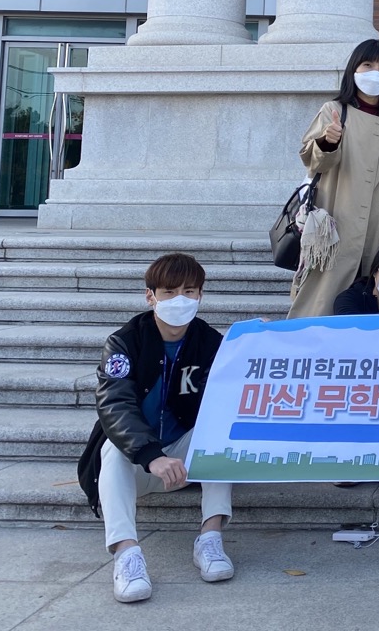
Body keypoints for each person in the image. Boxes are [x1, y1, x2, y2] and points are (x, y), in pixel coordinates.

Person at [76, 253, 233, 604]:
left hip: (184, 461)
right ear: (151, 296)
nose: (180, 300)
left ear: (200, 295)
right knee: (112, 446)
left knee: (218, 433)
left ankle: (210, 539)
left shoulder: (210, 342)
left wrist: (259, 340)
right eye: (169, 292)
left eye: (189, 291)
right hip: (138, 466)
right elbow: (114, 405)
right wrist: (150, 455)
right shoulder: (124, 343)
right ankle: (127, 555)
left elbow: (237, 387)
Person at [287, 39, 379, 319]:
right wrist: (328, 141)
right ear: (354, 70)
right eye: (368, 65)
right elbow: (313, 162)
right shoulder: (334, 111)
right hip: (339, 221)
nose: (376, 73)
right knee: (323, 298)